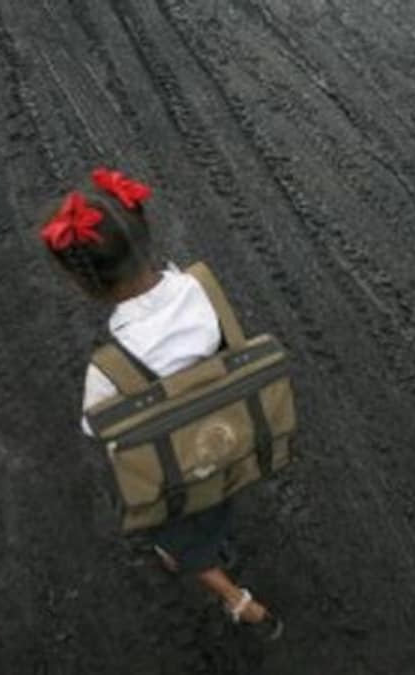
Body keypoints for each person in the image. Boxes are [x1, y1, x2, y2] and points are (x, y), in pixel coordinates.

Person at [40, 167, 284, 639]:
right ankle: (217, 534)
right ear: (144, 231)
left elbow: (96, 428)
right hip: (229, 436)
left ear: (82, 282)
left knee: (178, 538)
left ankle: (241, 602)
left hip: (173, 470)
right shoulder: (199, 287)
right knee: (217, 499)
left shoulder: (110, 368)